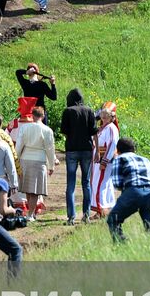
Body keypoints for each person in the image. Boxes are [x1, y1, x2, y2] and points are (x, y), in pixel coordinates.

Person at [105, 137, 150, 240]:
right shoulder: (145, 159)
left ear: (117, 150)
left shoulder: (119, 158)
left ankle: (122, 243)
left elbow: (117, 183)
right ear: (134, 149)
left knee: (113, 218)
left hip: (133, 191)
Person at [12, 103, 56, 219]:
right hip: (39, 160)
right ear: (43, 116)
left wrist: (16, 160)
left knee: (27, 188)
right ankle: (31, 213)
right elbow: (50, 149)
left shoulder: (25, 128)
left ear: (32, 115)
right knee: (35, 190)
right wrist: (51, 165)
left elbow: (19, 145)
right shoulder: (47, 130)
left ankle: (30, 213)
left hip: (25, 159)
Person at [59, 89, 95, 225]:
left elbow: (64, 131)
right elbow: (93, 131)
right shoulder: (89, 111)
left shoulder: (68, 111)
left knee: (71, 184)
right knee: (86, 183)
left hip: (72, 149)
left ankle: (71, 217)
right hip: (86, 149)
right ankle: (86, 215)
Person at [90, 102, 119, 218]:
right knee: (103, 184)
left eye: (107, 115)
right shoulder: (103, 128)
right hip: (98, 159)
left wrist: (105, 160)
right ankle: (105, 209)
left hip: (104, 160)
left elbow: (112, 145)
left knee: (100, 184)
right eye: (102, 114)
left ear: (112, 117)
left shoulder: (111, 128)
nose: (104, 117)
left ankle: (101, 209)